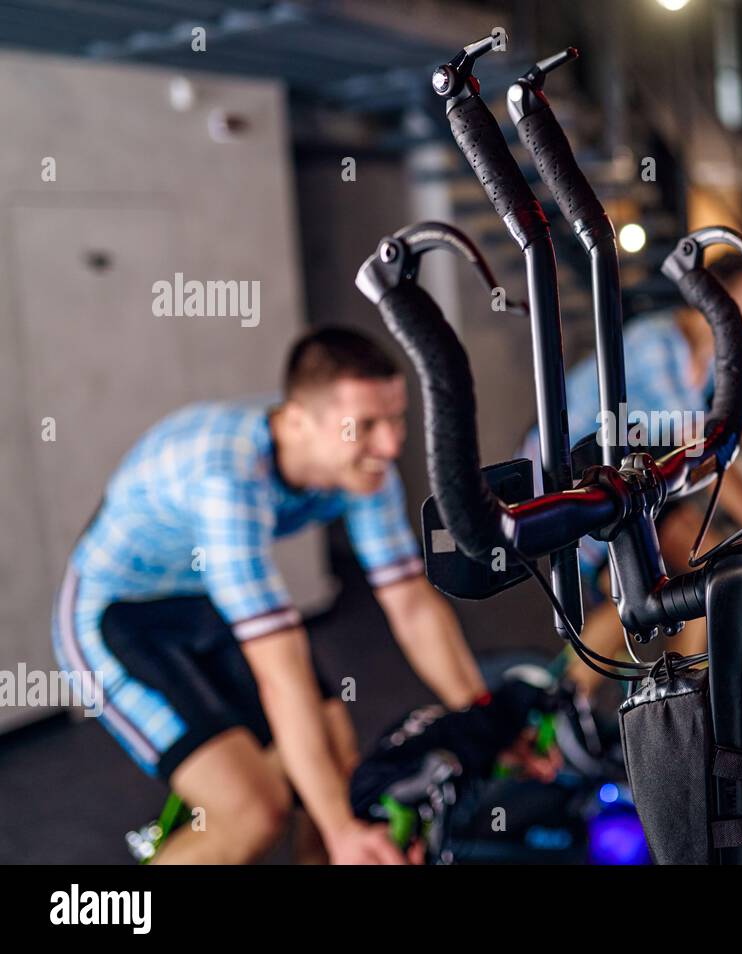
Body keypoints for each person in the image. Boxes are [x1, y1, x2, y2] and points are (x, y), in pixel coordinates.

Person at [52, 327, 553, 865]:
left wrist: (484, 720)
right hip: (116, 616)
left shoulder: (362, 465)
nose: (390, 444)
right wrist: (340, 831)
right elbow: (281, 672)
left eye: (396, 418)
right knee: (255, 814)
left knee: (341, 786)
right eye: (366, 426)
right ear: (297, 422)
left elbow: (410, 602)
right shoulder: (228, 478)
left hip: (202, 602)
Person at [518, 254, 742, 696]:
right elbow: (703, 452)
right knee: (668, 580)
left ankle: (676, 701)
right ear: (713, 300)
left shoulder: (714, 354)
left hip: (628, 479)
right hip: (569, 484)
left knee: (703, 572)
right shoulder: (657, 345)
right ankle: (558, 703)